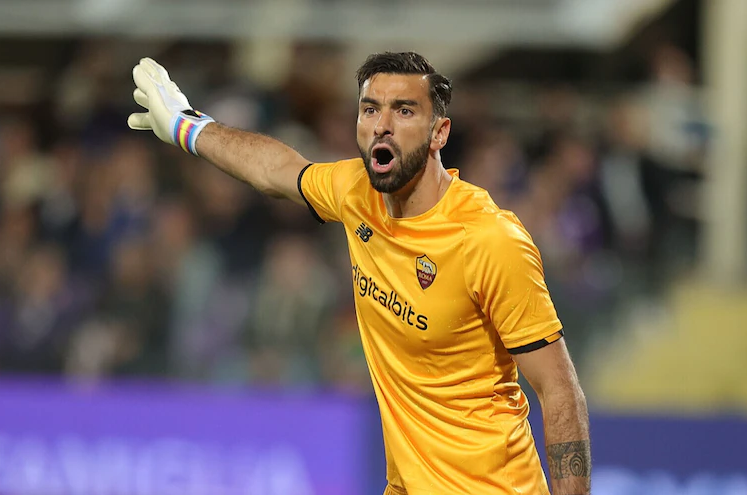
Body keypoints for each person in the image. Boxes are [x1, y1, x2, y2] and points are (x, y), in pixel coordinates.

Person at [127, 53, 591, 495]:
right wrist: (187, 126)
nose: (382, 124)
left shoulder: (489, 239)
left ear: (439, 133)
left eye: (404, 110)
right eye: (370, 109)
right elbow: (276, 170)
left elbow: (559, 390)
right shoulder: (357, 193)